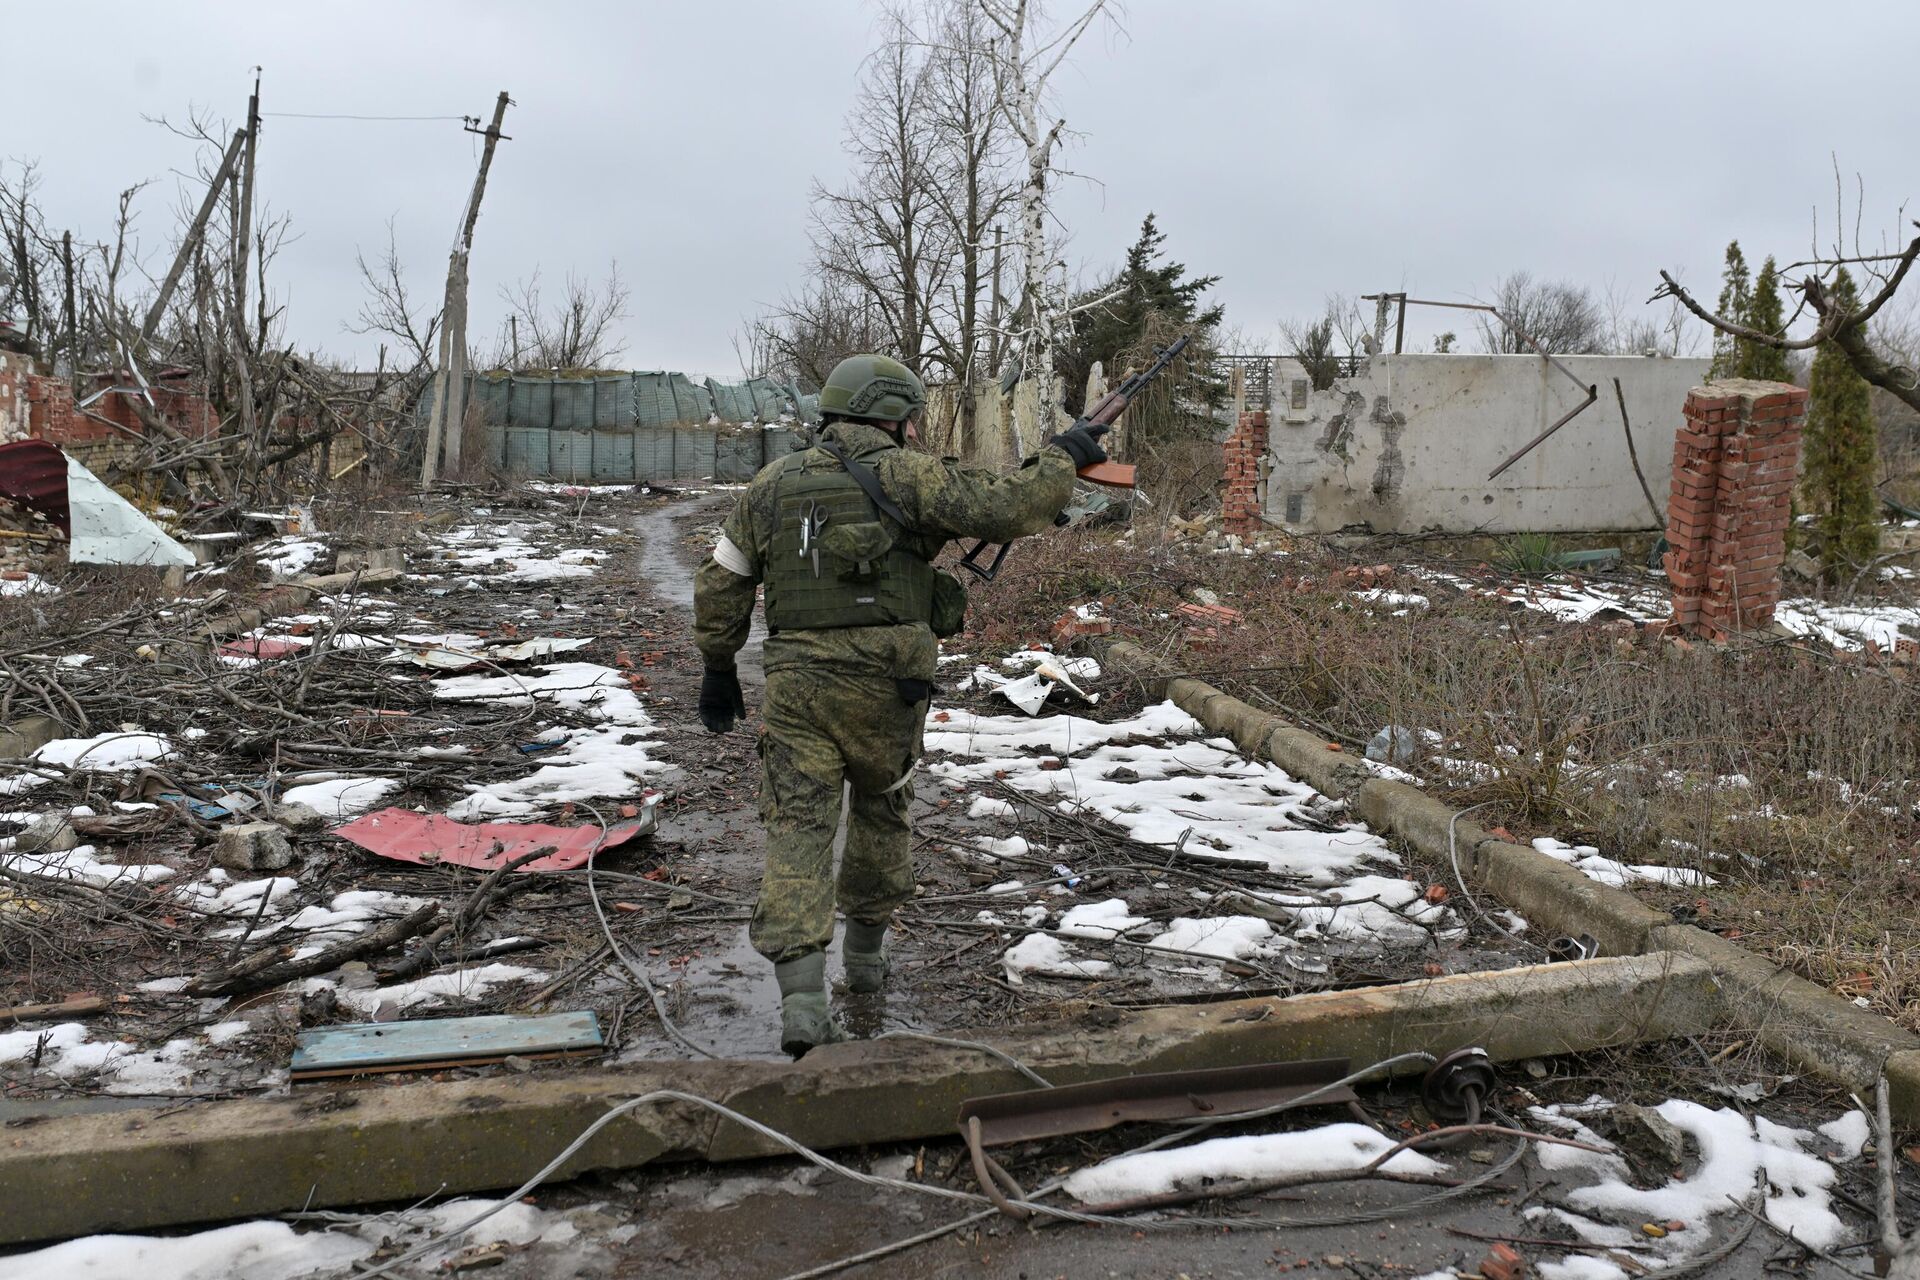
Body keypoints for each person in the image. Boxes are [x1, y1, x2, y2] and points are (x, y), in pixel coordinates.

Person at [692, 353, 1109, 1055]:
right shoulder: (912, 475)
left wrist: (717, 663)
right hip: (890, 686)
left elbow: (723, 579)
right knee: (883, 812)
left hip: (798, 688)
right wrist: (1063, 456)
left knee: (798, 827)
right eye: (911, 416)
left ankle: (801, 1003)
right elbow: (1011, 507)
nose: (916, 428)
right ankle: (864, 966)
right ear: (893, 414)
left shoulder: (770, 485)